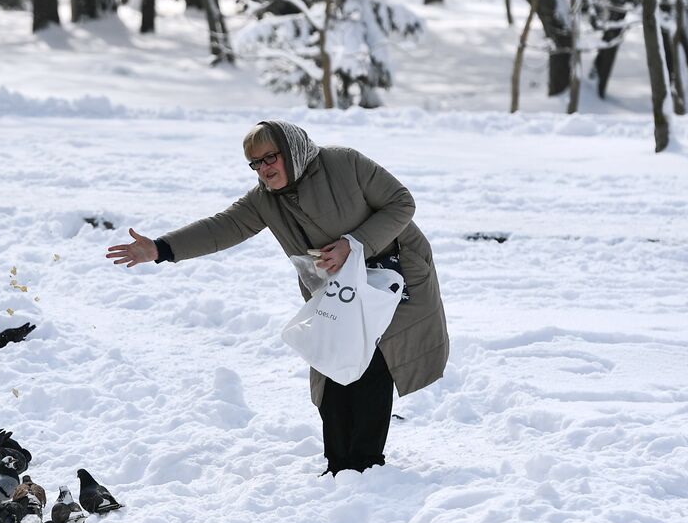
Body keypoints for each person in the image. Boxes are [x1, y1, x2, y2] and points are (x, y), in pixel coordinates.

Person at [106, 120, 448, 475]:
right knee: (332, 362)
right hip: (337, 290)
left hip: (391, 278)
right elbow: (223, 226)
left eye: (271, 157)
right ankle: (338, 464)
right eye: (256, 163)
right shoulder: (264, 201)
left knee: (373, 363)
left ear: (292, 150)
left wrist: (353, 243)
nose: (264, 169)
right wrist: (161, 249)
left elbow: (400, 202)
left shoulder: (344, 164)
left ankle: (364, 465)